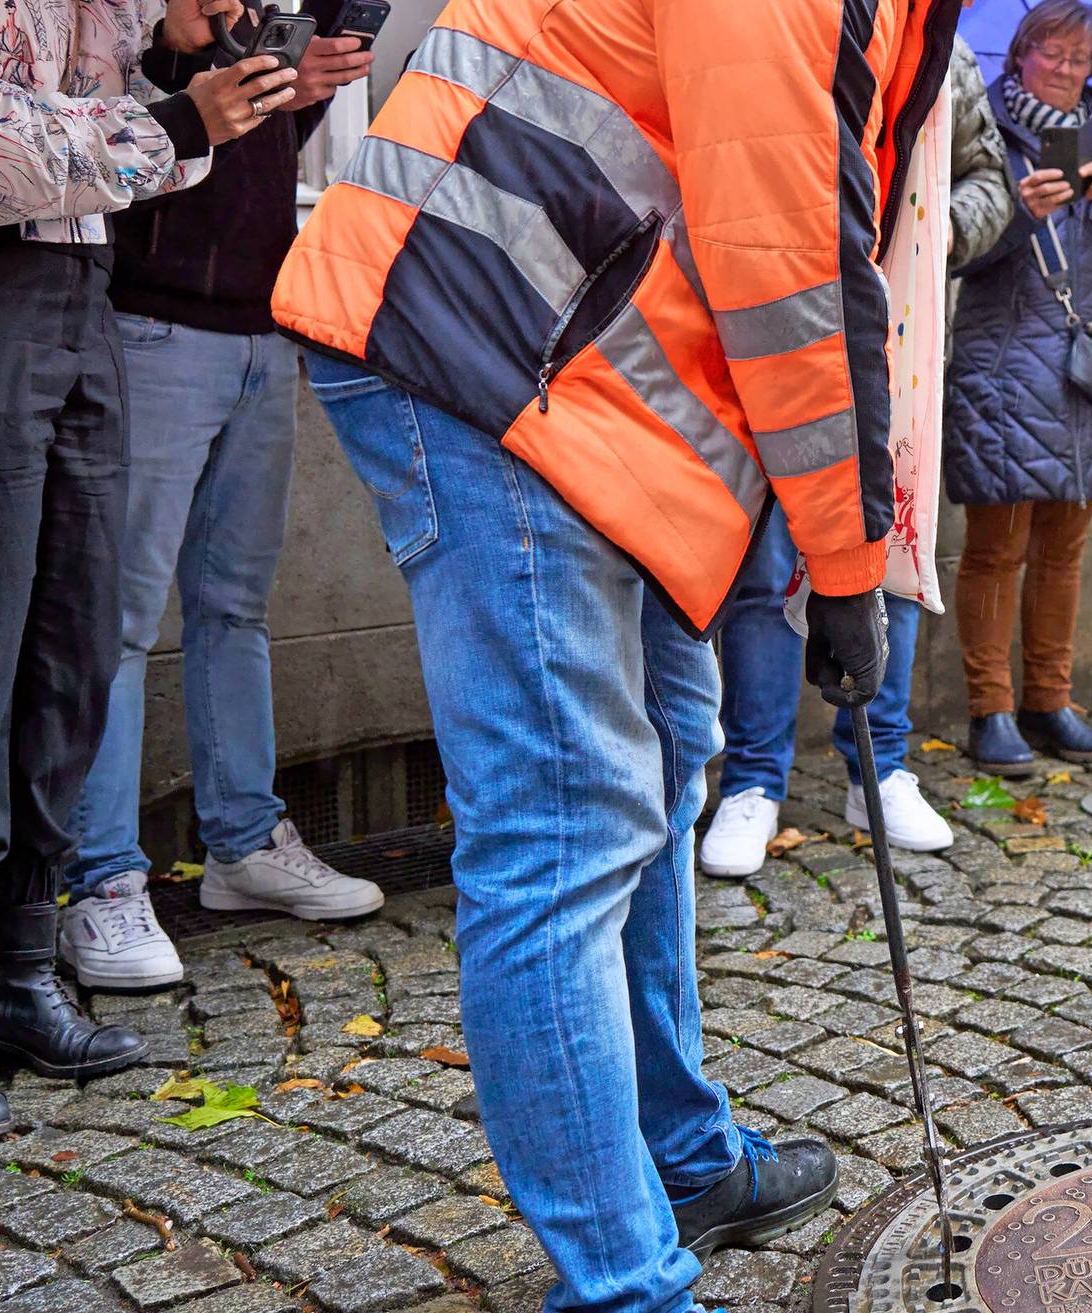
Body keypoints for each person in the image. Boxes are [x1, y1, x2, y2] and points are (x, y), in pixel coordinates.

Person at [270, 2, 960, 1309]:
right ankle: (625, 1289)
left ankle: (679, 1154)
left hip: (575, 369)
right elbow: (788, 264)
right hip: (494, 355)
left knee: (665, 757)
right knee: (565, 822)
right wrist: (846, 561)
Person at [0, 0, 296, 1137]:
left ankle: (13, 971)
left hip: (77, 294)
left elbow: (115, 144)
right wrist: (177, 124)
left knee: (66, 651)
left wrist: (181, 47)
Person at [57, 2, 384, 994]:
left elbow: (259, 154)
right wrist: (177, 55)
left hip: (261, 317)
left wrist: (308, 92)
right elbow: (103, 135)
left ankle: (242, 842)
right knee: (112, 617)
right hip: (154, 325)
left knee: (236, 606)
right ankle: (101, 878)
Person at [699, 29, 1011, 878]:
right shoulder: (794, 24)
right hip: (785, 315)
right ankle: (754, 781)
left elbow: (993, 182)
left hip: (896, 328)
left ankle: (879, 764)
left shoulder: (951, 54)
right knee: (767, 564)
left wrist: (934, 224)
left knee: (892, 550)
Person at [946, 0, 1092, 777]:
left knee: (1065, 546)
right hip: (1004, 363)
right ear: (1020, 54)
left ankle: (1050, 698)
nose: (1070, 73)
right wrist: (1017, 214)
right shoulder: (984, 126)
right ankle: (991, 710)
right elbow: (949, 249)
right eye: (1054, 56)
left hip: (1085, 365)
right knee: (997, 546)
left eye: (1081, 59)